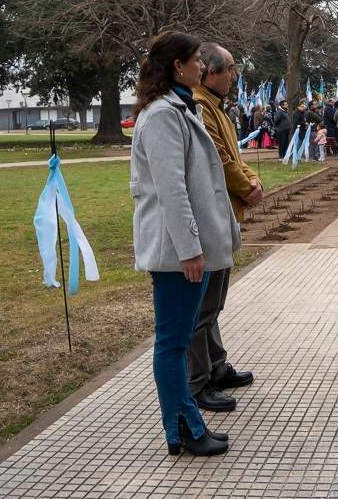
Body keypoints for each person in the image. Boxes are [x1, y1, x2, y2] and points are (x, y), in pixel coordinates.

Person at [130, 31, 238, 457]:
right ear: (178, 66)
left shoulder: (177, 107)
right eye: (196, 60)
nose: (202, 66)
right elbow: (171, 190)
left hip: (186, 248)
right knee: (173, 342)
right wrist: (190, 249)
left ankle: (186, 424)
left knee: (176, 339)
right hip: (176, 252)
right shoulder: (162, 115)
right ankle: (183, 428)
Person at [188, 43, 260, 413]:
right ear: (210, 72)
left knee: (213, 305)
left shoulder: (216, 106)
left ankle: (216, 366)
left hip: (223, 215)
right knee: (203, 309)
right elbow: (218, 159)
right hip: (210, 218)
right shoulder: (200, 107)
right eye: (230, 68)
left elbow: (235, 156)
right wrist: (247, 187)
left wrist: (252, 179)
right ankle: (199, 383)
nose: (234, 75)